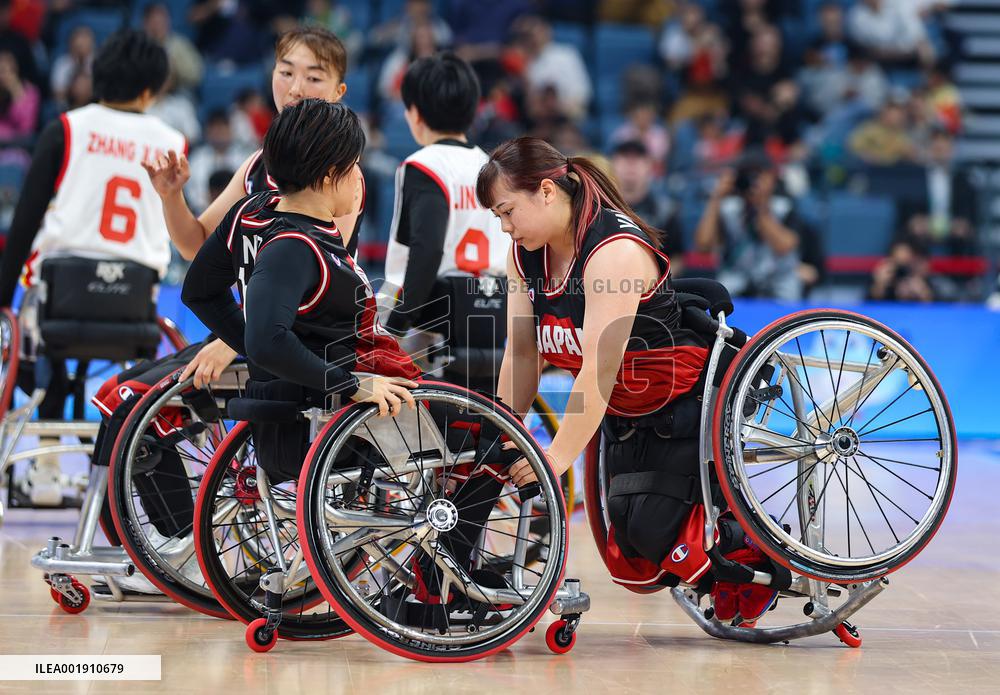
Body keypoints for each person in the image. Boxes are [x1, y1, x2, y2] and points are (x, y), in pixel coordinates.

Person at [476, 136, 783, 625]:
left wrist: (553, 460)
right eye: (498, 217)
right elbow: (523, 353)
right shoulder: (524, 255)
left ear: (547, 192)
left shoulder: (613, 252)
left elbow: (598, 371)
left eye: (508, 211)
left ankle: (758, 553)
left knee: (652, 536)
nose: (505, 226)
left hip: (680, 397)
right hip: (624, 408)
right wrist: (504, 430)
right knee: (631, 560)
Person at [0, 30, 184, 505]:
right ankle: (117, 464)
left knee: (35, 349)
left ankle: (44, 467)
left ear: (98, 78)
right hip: (135, 306)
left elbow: (25, 222)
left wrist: (2, 297)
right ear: (152, 88)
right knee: (83, 356)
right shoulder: (171, 141)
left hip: (61, 299)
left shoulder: (67, 128)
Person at [182, 99, 419, 453]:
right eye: (354, 165)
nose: (359, 177)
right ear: (329, 176)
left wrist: (258, 354)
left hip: (294, 401)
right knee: (483, 436)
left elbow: (199, 293)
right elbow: (266, 341)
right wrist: (353, 385)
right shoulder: (296, 245)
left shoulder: (250, 211)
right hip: (344, 411)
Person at [377, 52, 508, 393]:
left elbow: (427, 250)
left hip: (434, 318)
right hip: (494, 314)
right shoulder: (491, 167)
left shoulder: (424, 165)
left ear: (415, 113)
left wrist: (394, 327)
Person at [693, 156, 805, 300]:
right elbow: (703, 245)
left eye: (758, 176)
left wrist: (761, 207)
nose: (753, 183)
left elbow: (784, 247)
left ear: (772, 179)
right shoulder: (728, 210)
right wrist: (716, 198)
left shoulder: (785, 208)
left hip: (778, 284)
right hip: (735, 282)